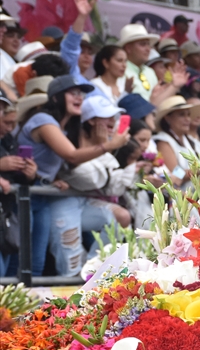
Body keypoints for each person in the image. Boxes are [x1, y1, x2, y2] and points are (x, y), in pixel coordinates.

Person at [16, 75, 129, 276]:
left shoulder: (65, 128)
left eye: (82, 94)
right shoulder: (43, 120)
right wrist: (109, 146)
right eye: (73, 93)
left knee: (36, 261)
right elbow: (71, 156)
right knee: (31, 262)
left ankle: (93, 273)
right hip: (26, 197)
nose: (79, 97)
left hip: (43, 195)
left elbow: (62, 162)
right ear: (56, 97)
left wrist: (53, 178)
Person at [61, 94, 138, 229]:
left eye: (113, 117)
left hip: (90, 204)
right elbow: (91, 179)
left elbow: (113, 187)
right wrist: (105, 147)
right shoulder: (71, 142)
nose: (112, 121)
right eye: (107, 117)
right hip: (65, 203)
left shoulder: (106, 145)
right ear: (91, 121)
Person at [154, 95, 200, 187]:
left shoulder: (189, 140)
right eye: (181, 115)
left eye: (188, 115)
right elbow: (175, 174)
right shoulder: (163, 142)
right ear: (168, 118)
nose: (187, 119)